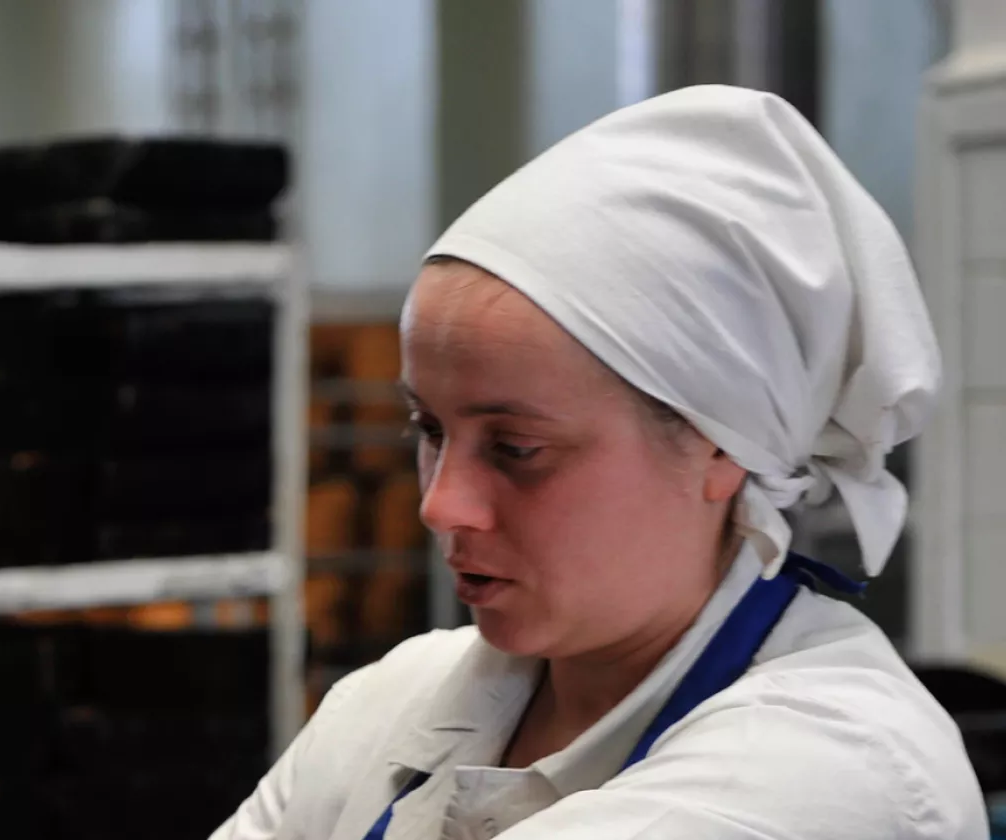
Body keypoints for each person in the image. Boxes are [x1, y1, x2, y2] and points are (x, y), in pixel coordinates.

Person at [212, 86, 986, 840]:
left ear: (721, 444)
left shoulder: (836, 766)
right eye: (429, 429)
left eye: (517, 450)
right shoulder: (391, 703)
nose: (441, 506)